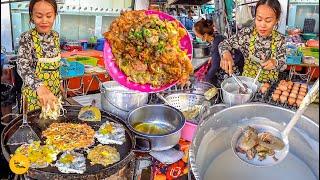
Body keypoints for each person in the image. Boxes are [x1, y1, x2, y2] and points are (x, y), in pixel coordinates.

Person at [219, 0, 286, 83]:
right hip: (247, 85)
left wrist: (275, 62)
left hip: (269, 87)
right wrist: (225, 53)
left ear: (276, 20)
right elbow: (224, 44)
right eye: (259, 19)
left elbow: (283, 63)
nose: (262, 25)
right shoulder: (246, 34)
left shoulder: (280, 39)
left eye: (268, 21)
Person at [17, 0, 61, 112]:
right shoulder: (27, 38)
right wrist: (39, 87)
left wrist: (59, 83)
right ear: (32, 16)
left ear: (55, 15)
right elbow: (22, 67)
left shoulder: (56, 36)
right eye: (39, 16)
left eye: (49, 16)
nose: (44, 21)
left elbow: (56, 66)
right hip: (34, 98)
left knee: (55, 128)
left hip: (53, 97)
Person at [193, 18, 245, 86]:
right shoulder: (216, 37)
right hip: (230, 67)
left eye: (197, 35)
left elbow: (215, 65)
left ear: (205, 35)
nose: (196, 37)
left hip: (231, 71)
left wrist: (205, 81)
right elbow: (217, 55)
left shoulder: (217, 41)